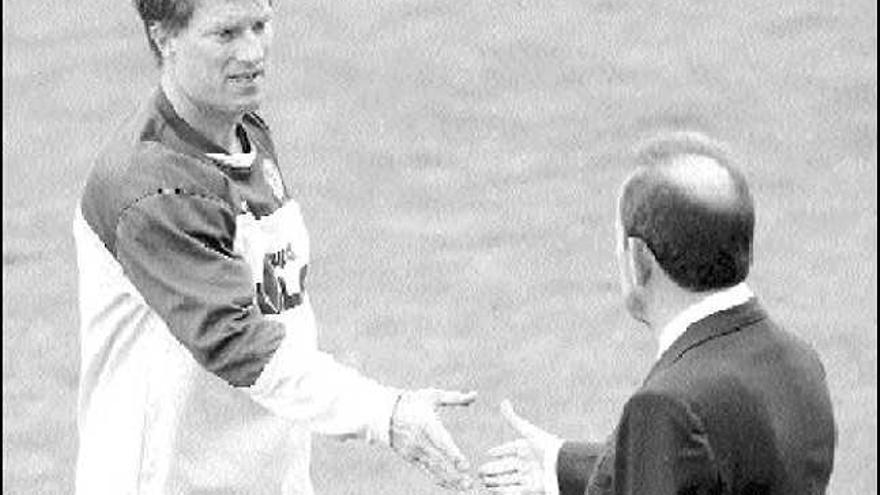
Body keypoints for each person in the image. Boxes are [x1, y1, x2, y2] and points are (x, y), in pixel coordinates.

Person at [72, 0, 476, 493]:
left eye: (260, 25)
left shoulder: (244, 130)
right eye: (226, 34)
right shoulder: (152, 187)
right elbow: (238, 342)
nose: (252, 52)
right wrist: (385, 415)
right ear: (164, 37)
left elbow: (281, 308)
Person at [477, 131, 837, 494]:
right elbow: (715, 467)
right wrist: (559, 465)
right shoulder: (800, 362)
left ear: (639, 258)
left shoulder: (667, 406)